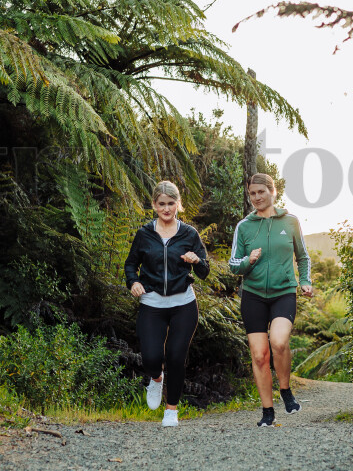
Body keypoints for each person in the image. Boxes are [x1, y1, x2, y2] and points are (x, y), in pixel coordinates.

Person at [229, 173, 313, 427]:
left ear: (272, 192)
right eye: (252, 194)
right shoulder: (244, 226)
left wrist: (305, 280)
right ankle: (268, 411)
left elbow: (303, 257)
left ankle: (285, 390)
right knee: (259, 355)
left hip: (284, 291)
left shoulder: (290, 221)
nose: (256, 197)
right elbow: (233, 266)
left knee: (278, 341)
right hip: (253, 295)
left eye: (260, 192)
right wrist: (248, 261)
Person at [124, 180, 209, 427]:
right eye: (161, 204)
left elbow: (205, 271)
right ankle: (156, 378)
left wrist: (197, 261)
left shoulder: (189, 234)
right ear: (154, 205)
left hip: (183, 303)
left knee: (175, 355)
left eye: (171, 203)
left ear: (178, 204)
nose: (166, 208)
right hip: (152, 303)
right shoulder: (144, 234)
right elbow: (131, 264)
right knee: (151, 357)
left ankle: (171, 410)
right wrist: (133, 282)